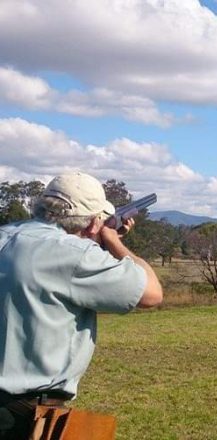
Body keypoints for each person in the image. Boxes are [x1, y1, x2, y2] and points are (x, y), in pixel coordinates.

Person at [0, 171, 163, 439]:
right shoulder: (74, 254)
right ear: (92, 223)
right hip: (25, 415)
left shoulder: (7, 235)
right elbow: (151, 293)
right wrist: (112, 241)